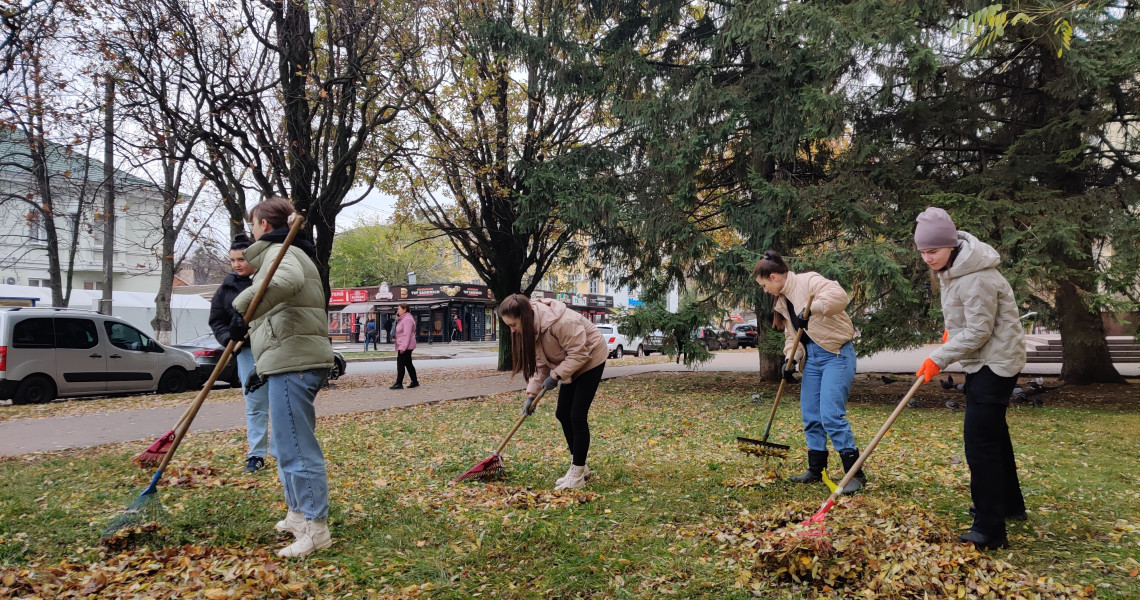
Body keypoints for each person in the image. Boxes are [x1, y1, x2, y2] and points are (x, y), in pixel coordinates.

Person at [913, 207, 1027, 550]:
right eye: (922, 252)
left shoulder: (976, 275)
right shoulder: (954, 270)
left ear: (950, 245)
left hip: (997, 361)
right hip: (983, 361)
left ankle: (989, 529)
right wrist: (952, 336)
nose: (927, 258)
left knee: (980, 442)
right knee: (994, 434)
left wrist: (938, 357)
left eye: (932, 251)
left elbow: (979, 331)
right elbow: (967, 322)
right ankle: (1009, 505)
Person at [232, 196, 335, 558]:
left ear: (264, 225)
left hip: (296, 362)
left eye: (253, 222)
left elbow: (287, 284)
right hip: (285, 360)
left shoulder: (284, 253)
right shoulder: (282, 251)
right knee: (284, 443)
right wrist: (262, 366)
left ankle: (316, 527)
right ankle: (297, 514)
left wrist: (241, 307)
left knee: (295, 447)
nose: (251, 228)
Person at [753, 250, 865, 494]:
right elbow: (792, 335)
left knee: (831, 415)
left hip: (836, 355)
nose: (764, 290)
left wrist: (811, 310)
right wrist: (789, 360)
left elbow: (840, 297)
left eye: (763, 285)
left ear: (774, 277)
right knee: (811, 415)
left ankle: (854, 474)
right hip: (812, 360)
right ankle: (816, 468)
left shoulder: (808, 280)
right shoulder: (783, 300)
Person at [498, 293, 608, 490]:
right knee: (562, 413)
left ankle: (577, 474)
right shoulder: (533, 327)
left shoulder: (561, 322)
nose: (512, 330)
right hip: (569, 361)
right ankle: (580, 465)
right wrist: (531, 395)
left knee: (576, 416)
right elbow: (541, 363)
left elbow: (580, 354)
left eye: (513, 325)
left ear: (523, 317)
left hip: (590, 358)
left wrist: (556, 376)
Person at [208, 233, 269, 474]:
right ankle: (256, 455)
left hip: (275, 349)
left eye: (241, 259)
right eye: (232, 260)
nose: (236, 265)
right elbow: (216, 321)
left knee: (282, 401)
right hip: (246, 353)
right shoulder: (226, 288)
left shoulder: (268, 279)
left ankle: (286, 450)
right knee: (255, 404)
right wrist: (229, 338)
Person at [390, 303, 419, 389]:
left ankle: (399, 383)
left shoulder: (407, 320)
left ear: (404, 309)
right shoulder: (403, 319)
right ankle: (415, 381)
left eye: (399, 309)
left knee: (400, 363)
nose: (397, 310)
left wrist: (403, 347)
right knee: (408, 363)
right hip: (404, 344)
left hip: (405, 345)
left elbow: (407, 335)